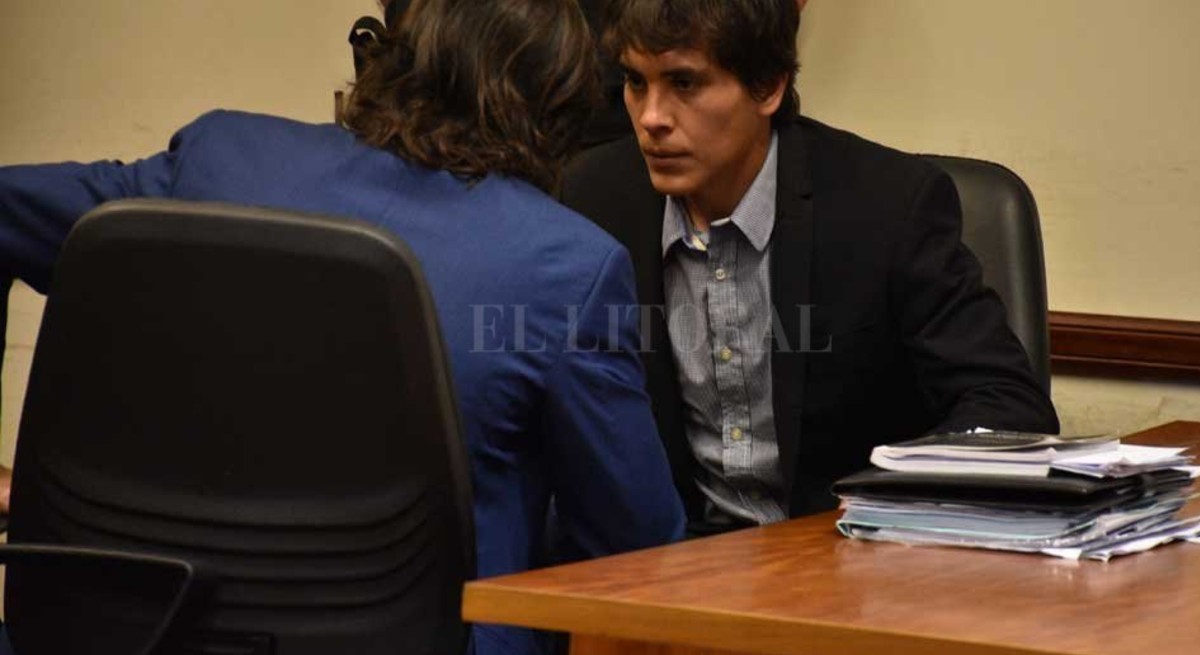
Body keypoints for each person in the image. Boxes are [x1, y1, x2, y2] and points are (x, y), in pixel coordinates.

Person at [0, 1, 684, 653]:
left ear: (386, 56)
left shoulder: (217, 157)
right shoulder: (567, 267)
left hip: (117, 631)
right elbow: (638, 550)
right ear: (556, 111)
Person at [560, 0, 1059, 536]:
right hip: (672, 560)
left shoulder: (888, 206)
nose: (651, 117)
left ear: (768, 87)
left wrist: (891, 504)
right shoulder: (593, 196)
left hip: (849, 551)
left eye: (684, 83)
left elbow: (1008, 407)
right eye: (636, 82)